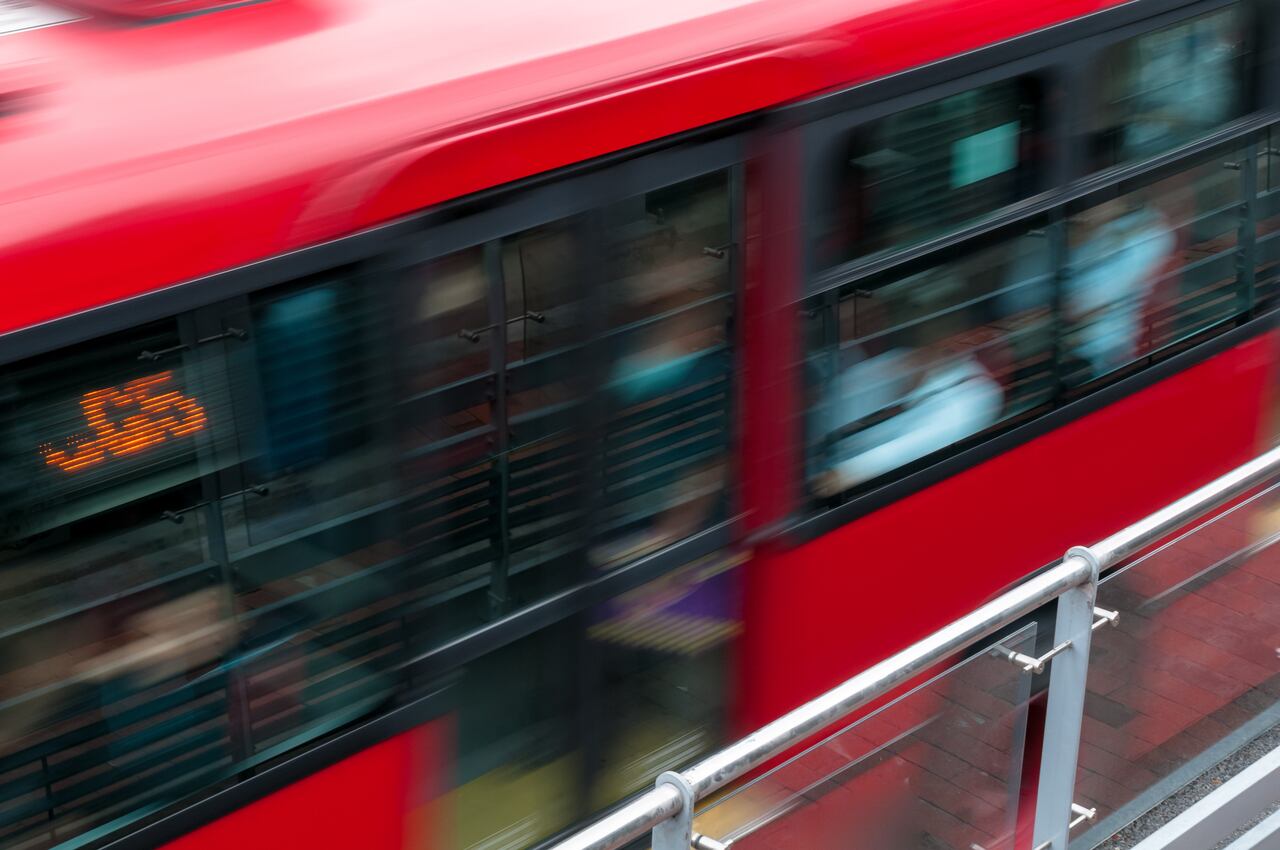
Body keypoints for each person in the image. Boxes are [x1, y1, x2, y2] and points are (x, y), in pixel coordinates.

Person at [809, 288, 1004, 499]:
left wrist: (833, 478)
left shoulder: (974, 396)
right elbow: (826, 411)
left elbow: (899, 454)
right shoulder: (892, 364)